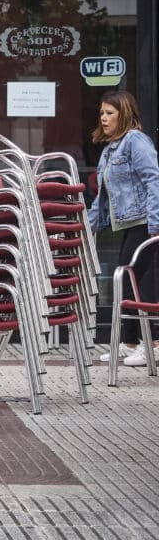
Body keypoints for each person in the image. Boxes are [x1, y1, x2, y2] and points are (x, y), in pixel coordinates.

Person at [88, 90, 159, 367]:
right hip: (131, 222)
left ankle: (153, 343)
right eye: (102, 113)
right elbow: (101, 200)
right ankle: (130, 343)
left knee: (136, 280)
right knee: (128, 278)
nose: (103, 118)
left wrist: (155, 222)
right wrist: (85, 227)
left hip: (144, 221)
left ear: (124, 114)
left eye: (109, 113)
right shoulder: (110, 150)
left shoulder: (135, 142)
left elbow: (154, 180)